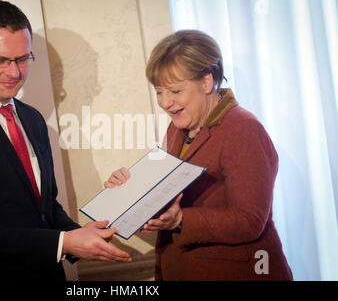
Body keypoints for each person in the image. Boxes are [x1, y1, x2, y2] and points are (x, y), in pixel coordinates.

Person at [0, 0, 130, 281]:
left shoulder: (32, 119)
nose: (15, 73)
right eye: (0, 60)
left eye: (22, 59)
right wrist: (64, 243)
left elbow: (45, 207)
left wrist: (82, 236)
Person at [105, 30, 292, 280]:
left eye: (174, 91)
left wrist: (181, 220)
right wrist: (130, 192)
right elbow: (167, 201)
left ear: (206, 82)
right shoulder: (177, 128)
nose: (165, 102)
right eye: (159, 91)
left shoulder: (244, 129)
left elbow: (250, 220)